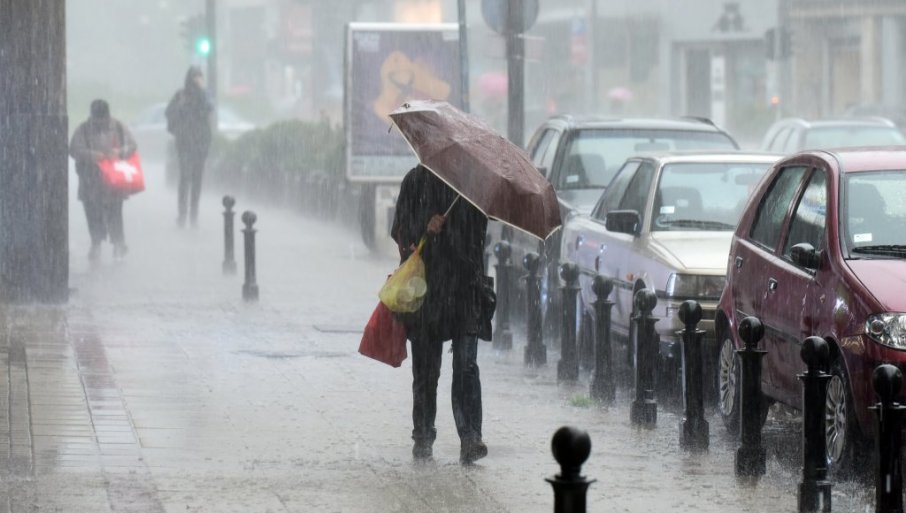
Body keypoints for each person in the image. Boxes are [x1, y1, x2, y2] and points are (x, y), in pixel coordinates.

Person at [390, 164, 491, 464]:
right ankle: (423, 436)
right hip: (426, 292)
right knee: (426, 370)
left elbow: (479, 240)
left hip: (465, 291)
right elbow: (402, 237)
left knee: (466, 366)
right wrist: (426, 228)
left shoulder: (473, 189)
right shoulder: (415, 181)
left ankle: (470, 435)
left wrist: (454, 231)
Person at [69, 99, 137, 261]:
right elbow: (73, 149)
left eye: (103, 119)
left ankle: (118, 244)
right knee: (92, 213)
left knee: (115, 212)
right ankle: (96, 244)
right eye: (97, 119)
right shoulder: (83, 129)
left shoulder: (119, 127)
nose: (100, 122)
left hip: (113, 181)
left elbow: (132, 145)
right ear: (92, 116)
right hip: (90, 179)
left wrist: (119, 152)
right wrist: (92, 155)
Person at [166, 66, 214, 227]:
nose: (197, 80)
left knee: (197, 179)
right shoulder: (181, 95)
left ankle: (194, 215)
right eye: (194, 77)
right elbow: (169, 112)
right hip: (185, 143)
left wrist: (202, 89)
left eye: (199, 76)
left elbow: (209, 107)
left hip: (200, 144)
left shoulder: (204, 95)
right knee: (185, 177)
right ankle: (182, 214)